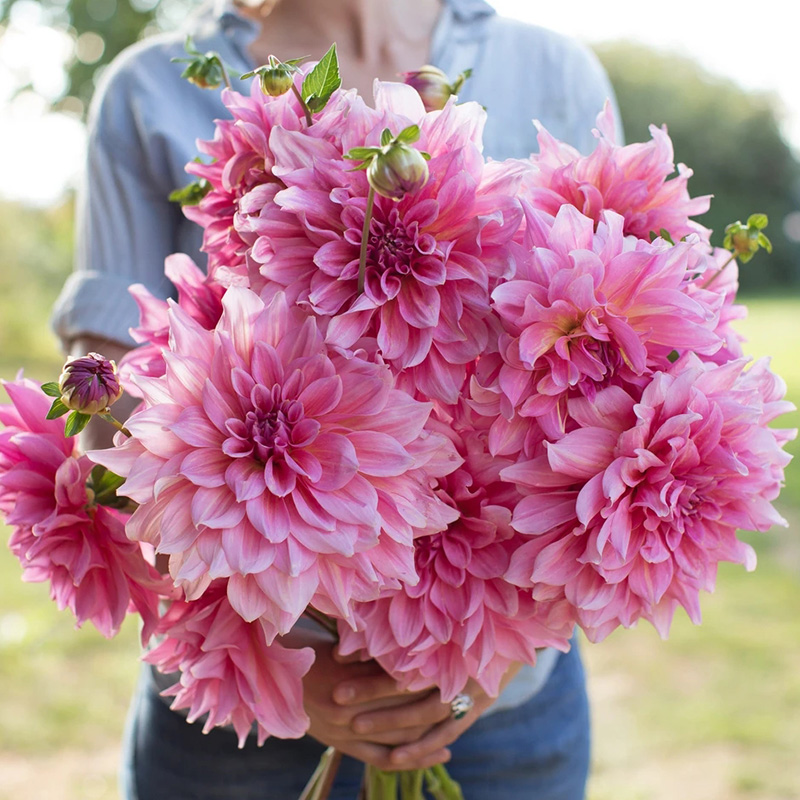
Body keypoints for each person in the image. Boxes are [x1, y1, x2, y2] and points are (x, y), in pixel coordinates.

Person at [51, 1, 622, 797]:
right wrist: (284, 665)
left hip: (501, 709)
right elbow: (106, 399)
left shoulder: (554, 70)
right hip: (243, 714)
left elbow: (614, 393)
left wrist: (487, 656)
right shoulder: (149, 86)